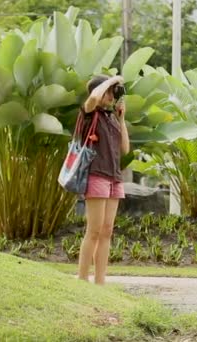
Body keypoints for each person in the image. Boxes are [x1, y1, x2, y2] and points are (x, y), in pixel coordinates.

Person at [77, 75, 130, 285]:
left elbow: (125, 149)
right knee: (94, 230)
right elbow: (93, 98)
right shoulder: (89, 113)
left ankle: (100, 281)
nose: (111, 95)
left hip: (114, 177)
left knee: (107, 230)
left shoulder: (110, 118)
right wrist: (111, 80)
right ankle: (82, 278)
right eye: (109, 91)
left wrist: (122, 119)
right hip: (96, 174)